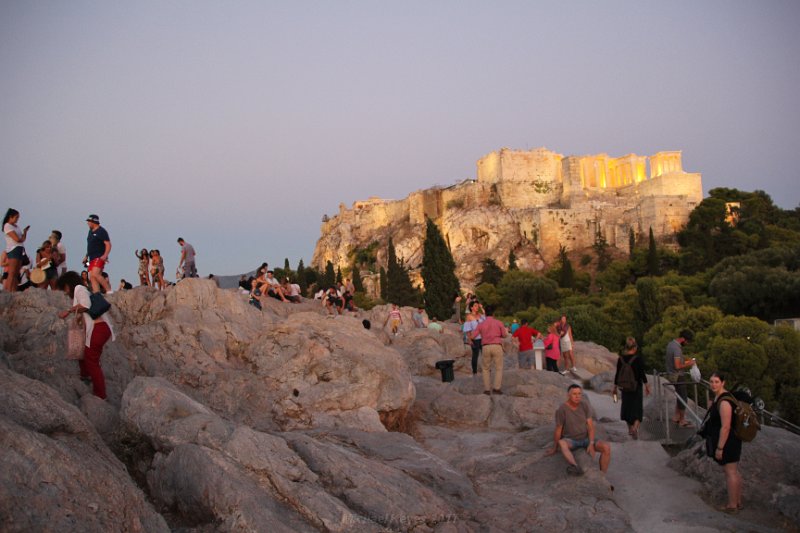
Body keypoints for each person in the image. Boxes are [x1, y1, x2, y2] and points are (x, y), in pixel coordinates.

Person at [57, 271, 115, 399]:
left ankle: (100, 394)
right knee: (85, 354)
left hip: (98, 328)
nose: (65, 292)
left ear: (68, 284)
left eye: (64, 288)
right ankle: (85, 375)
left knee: (91, 360)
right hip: (99, 329)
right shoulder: (83, 289)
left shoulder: (79, 288)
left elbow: (85, 305)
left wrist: (68, 311)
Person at [546, 384, 612, 475]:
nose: (577, 396)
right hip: (571, 440)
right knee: (562, 443)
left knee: (606, 447)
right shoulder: (562, 409)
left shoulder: (584, 406)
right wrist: (554, 448)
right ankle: (575, 466)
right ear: (568, 395)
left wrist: (591, 443)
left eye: (579, 394)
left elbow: (590, 426)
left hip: (585, 439)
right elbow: (558, 429)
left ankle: (602, 475)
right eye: (574, 394)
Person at [704, 371, 743, 513]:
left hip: (728, 442)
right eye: (711, 381)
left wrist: (720, 448)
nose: (713, 384)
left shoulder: (724, 402)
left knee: (730, 472)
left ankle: (732, 506)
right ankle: (737, 502)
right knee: (734, 472)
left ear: (723, 383)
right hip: (731, 440)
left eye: (716, 382)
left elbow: (725, 427)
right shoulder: (720, 398)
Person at [611, 337, 650, 439]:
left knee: (627, 408)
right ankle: (635, 427)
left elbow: (618, 374)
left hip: (625, 387)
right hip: (636, 387)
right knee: (637, 409)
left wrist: (615, 387)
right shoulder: (637, 359)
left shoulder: (621, 359)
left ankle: (630, 429)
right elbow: (642, 374)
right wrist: (646, 386)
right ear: (635, 347)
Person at [469, 304, 507, 395]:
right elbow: (505, 335)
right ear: (493, 314)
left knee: (485, 368)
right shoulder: (499, 323)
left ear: (485, 314)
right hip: (497, 346)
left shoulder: (481, 324)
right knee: (498, 368)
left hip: (485, 347)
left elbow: (473, 336)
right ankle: (496, 388)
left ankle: (487, 389)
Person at [665, 329, 696, 427]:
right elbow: (677, 366)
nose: (687, 343)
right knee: (683, 398)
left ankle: (676, 417)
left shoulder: (670, 344)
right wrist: (689, 364)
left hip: (671, 374)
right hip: (678, 376)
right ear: (683, 339)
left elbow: (676, 362)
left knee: (679, 397)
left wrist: (686, 362)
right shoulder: (677, 348)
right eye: (687, 341)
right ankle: (682, 420)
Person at [83, 214, 112, 294]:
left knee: (96, 274)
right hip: (91, 257)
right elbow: (90, 245)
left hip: (99, 256)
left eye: (89, 222)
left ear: (94, 222)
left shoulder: (101, 231)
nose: (88, 223)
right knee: (92, 276)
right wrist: (86, 256)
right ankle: (97, 293)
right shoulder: (90, 232)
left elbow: (108, 244)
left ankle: (109, 290)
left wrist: (105, 255)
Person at [3, 208, 29, 293]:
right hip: (13, 249)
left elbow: (22, 238)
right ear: (11, 216)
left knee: (16, 272)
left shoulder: (16, 226)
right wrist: (21, 238)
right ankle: (9, 291)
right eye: (16, 217)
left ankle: (13, 290)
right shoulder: (7, 225)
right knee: (12, 272)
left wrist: (25, 232)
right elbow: (17, 239)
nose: (17, 219)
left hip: (20, 248)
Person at [462, 301, 485, 375]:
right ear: (471, 307)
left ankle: (486, 369)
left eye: (477, 306)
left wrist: (482, 308)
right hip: (474, 338)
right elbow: (467, 329)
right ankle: (474, 372)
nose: (477, 307)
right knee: (475, 355)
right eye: (475, 306)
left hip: (483, 338)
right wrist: (469, 339)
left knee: (485, 354)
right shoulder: (469, 316)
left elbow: (487, 318)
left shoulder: (480, 315)